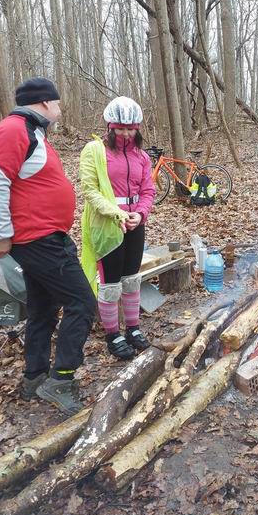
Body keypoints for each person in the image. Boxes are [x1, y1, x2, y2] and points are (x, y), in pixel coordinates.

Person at [0, 77, 96, 415]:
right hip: (37, 239)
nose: (61, 108)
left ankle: (34, 377)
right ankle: (60, 380)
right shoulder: (13, 130)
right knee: (82, 303)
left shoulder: (34, 134)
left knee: (43, 308)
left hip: (46, 237)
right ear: (45, 102)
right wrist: (1, 233)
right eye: (58, 102)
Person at [79, 96, 156, 360]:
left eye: (130, 129)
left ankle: (133, 328)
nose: (125, 133)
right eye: (120, 129)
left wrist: (140, 213)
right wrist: (117, 213)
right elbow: (90, 190)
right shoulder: (95, 151)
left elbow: (148, 190)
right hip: (107, 225)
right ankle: (113, 334)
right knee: (110, 283)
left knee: (132, 280)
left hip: (135, 223)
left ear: (137, 128)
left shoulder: (142, 157)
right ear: (110, 127)